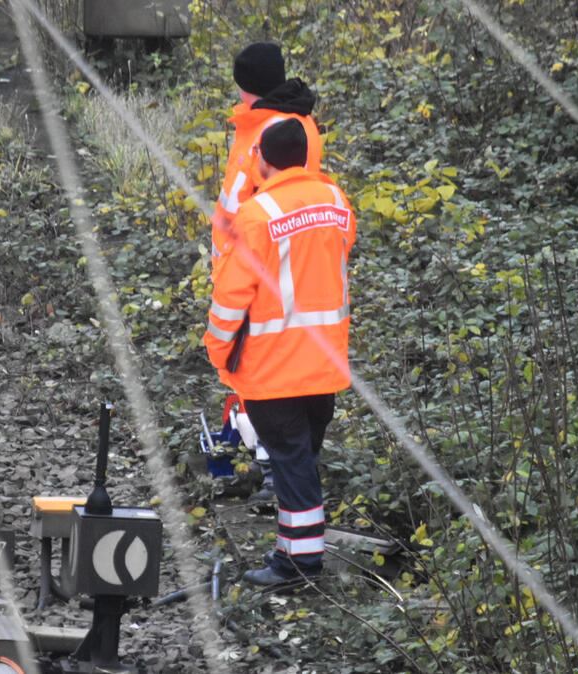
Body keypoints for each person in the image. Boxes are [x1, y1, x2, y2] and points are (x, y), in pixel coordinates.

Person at [203, 119, 356, 586]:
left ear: (263, 160)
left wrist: (218, 349)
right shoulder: (336, 202)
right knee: (300, 459)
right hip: (325, 362)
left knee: (292, 462)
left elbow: (232, 296)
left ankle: (300, 566)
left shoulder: (256, 214)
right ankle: (291, 552)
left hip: (274, 367)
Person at [211, 42, 323, 503]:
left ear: (251, 87)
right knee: (256, 377)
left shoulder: (279, 129)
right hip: (246, 267)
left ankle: (280, 474)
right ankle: (271, 464)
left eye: (241, 88)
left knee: (272, 381)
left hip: (267, 273)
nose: (238, 96)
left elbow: (283, 204)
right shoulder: (262, 122)